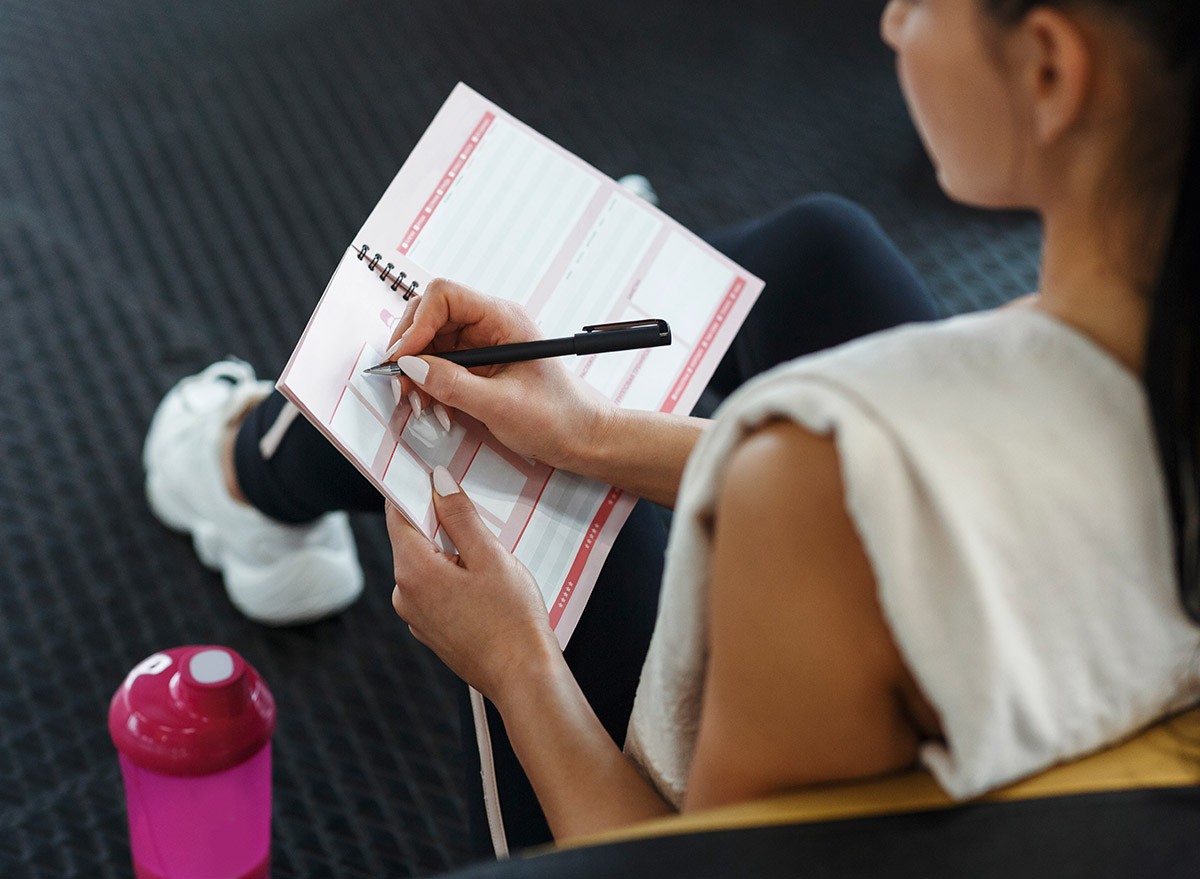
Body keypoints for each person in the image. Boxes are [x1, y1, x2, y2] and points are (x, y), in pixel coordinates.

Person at [143, 0, 1200, 853]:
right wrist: (590, 430)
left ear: (1049, 69)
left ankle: (245, 469)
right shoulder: (1115, 354)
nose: (889, 22)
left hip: (631, 833)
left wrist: (513, 663)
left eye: (922, 2)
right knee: (823, 251)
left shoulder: (814, 474)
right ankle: (269, 468)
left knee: (506, 490)